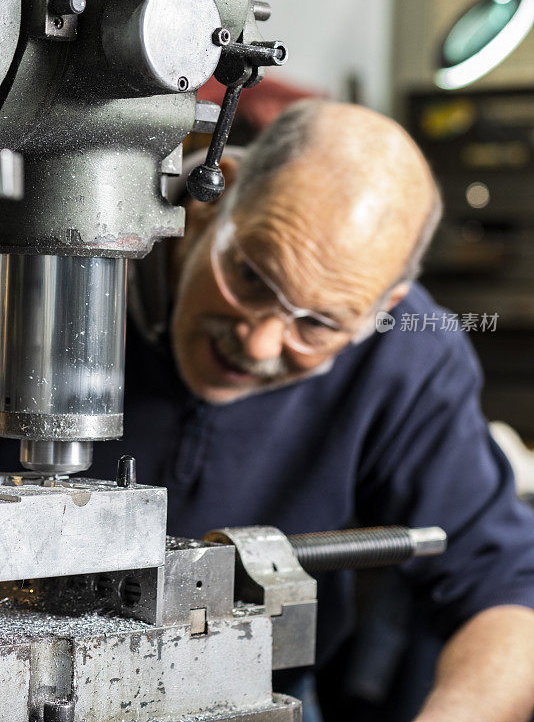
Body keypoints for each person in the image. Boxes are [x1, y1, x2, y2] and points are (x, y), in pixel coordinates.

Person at [3, 100, 534, 720]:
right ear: (210, 204)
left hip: (262, 692)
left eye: (318, 325)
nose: (258, 344)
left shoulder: (411, 356)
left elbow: (506, 594)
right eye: (253, 278)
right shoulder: (58, 261)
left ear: (380, 308)